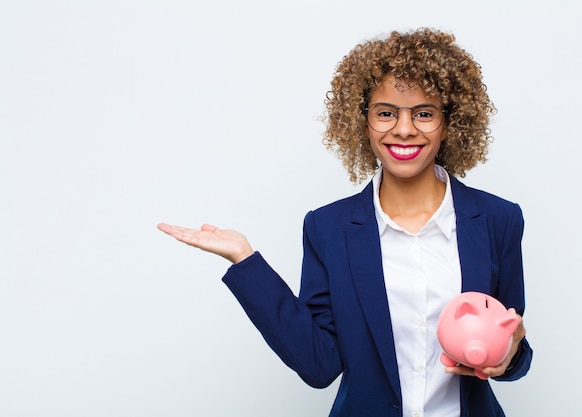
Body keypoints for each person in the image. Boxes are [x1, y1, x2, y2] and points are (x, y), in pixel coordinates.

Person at [157, 27, 532, 417]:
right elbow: (319, 363)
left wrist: (509, 356)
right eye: (386, 112)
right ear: (362, 120)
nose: (404, 129)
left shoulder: (497, 220)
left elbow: (512, 345)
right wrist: (244, 260)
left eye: (423, 113)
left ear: (449, 122)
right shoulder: (328, 228)